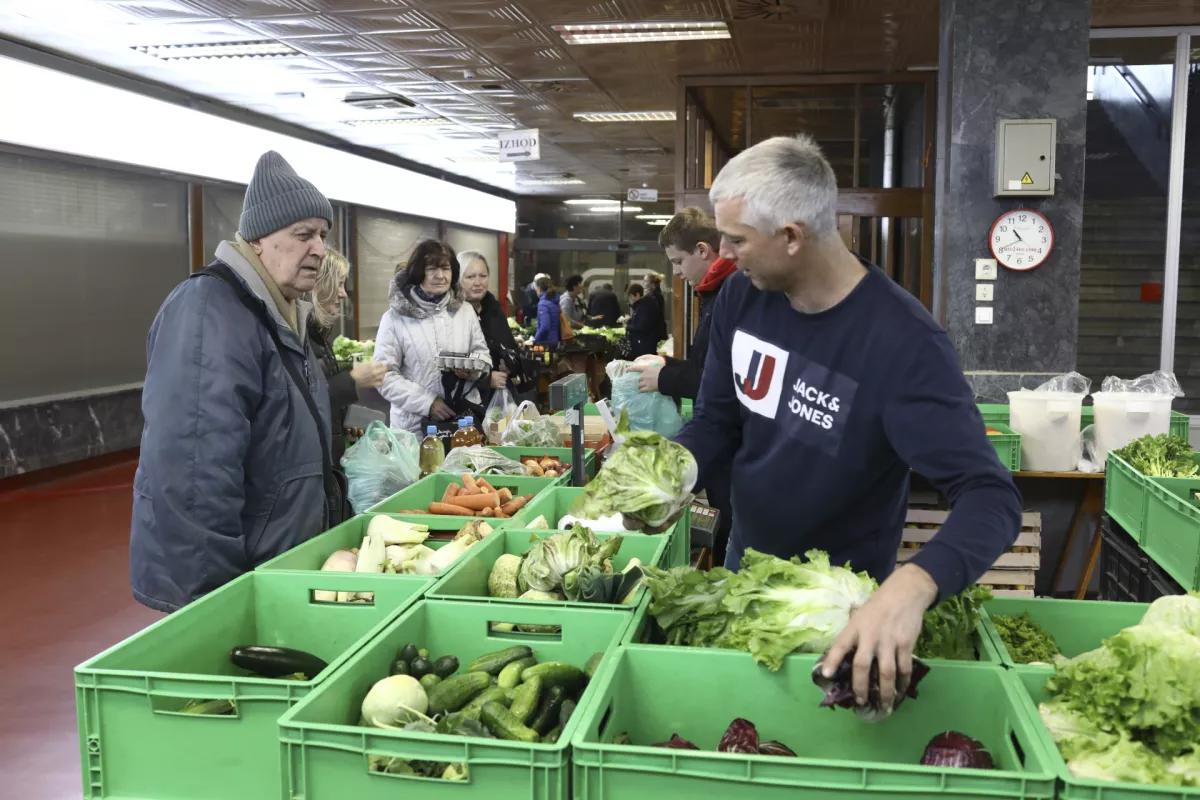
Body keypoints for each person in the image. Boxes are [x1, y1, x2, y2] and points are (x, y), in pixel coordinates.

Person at [676, 134, 1022, 709]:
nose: (723, 257)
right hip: (745, 568)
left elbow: (991, 496)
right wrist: (668, 469)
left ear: (791, 237)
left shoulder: (905, 345)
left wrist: (914, 585)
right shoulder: (742, 297)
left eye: (736, 240)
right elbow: (716, 419)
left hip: (845, 605)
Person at [131, 150, 342, 612]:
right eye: (303, 235)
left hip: (277, 571)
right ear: (259, 240)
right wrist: (218, 606)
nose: (320, 250)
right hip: (235, 584)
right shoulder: (211, 312)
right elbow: (192, 477)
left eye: (323, 235)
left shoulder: (283, 312)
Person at [629, 207, 738, 562]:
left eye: (678, 262)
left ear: (704, 250)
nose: (675, 273)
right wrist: (666, 364)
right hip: (721, 447)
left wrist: (664, 378)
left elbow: (720, 383)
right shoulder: (713, 293)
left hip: (735, 452)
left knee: (733, 535)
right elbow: (708, 369)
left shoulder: (733, 294)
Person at [374, 240, 491, 434]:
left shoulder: (465, 312)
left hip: (461, 423)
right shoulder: (395, 318)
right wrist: (428, 403)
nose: (440, 276)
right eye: (432, 269)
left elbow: (483, 356)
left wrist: (473, 370)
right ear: (418, 272)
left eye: (445, 268)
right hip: (413, 430)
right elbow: (384, 376)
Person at [307, 248, 387, 462]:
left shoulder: (320, 335)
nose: (343, 293)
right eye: (339, 283)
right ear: (320, 284)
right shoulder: (302, 336)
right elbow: (306, 401)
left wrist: (344, 424)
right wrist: (353, 380)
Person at [459, 250, 523, 405]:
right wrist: (486, 379)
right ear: (458, 280)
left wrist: (511, 365)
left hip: (500, 398)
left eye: (483, 276)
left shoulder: (494, 309)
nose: (477, 282)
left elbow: (507, 344)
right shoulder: (453, 315)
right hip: (468, 403)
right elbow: (453, 366)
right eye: (470, 277)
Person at [624, 282, 662, 358]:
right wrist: (630, 321)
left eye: (631, 297)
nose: (631, 299)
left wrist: (627, 326)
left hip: (644, 344)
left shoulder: (644, 307)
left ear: (637, 295)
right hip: (645, 342)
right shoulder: (645, 304)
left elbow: (641, 326)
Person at [533, 276, 561, 344]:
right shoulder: (554, 301)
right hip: (555, 341)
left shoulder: (543, 304)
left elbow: (545, 327)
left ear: (539, 288)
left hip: (546, 344)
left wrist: (535, 341)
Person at [644, 272, 669, 341]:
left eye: (646, 281)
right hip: (657, 330)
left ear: (652, 284)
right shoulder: (655, 294)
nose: (644, 283)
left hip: (655, 331)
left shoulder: (653, 296)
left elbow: (652, 314)